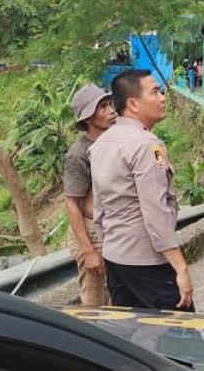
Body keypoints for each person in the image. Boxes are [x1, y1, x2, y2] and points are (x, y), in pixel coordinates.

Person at [90, 69, 194, 311]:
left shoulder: (101, 144)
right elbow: (155, 212)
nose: (162, 97)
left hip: (116, 259)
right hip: (148, 262)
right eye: (155, 92)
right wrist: (180, 268)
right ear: (133, 104)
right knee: (180, 337)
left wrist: (111, 247)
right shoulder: (147, 146)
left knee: (131, 336)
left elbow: (100, 209)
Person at [64, 83, 117, 306]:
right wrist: (88, 251)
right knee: (95, 306)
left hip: (114, 229)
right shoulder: (78, 154)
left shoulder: (115, 142)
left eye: (110, 104)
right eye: (102, 107)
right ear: (87, 118)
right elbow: (71, 204)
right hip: (92, 234)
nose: (111, 110)